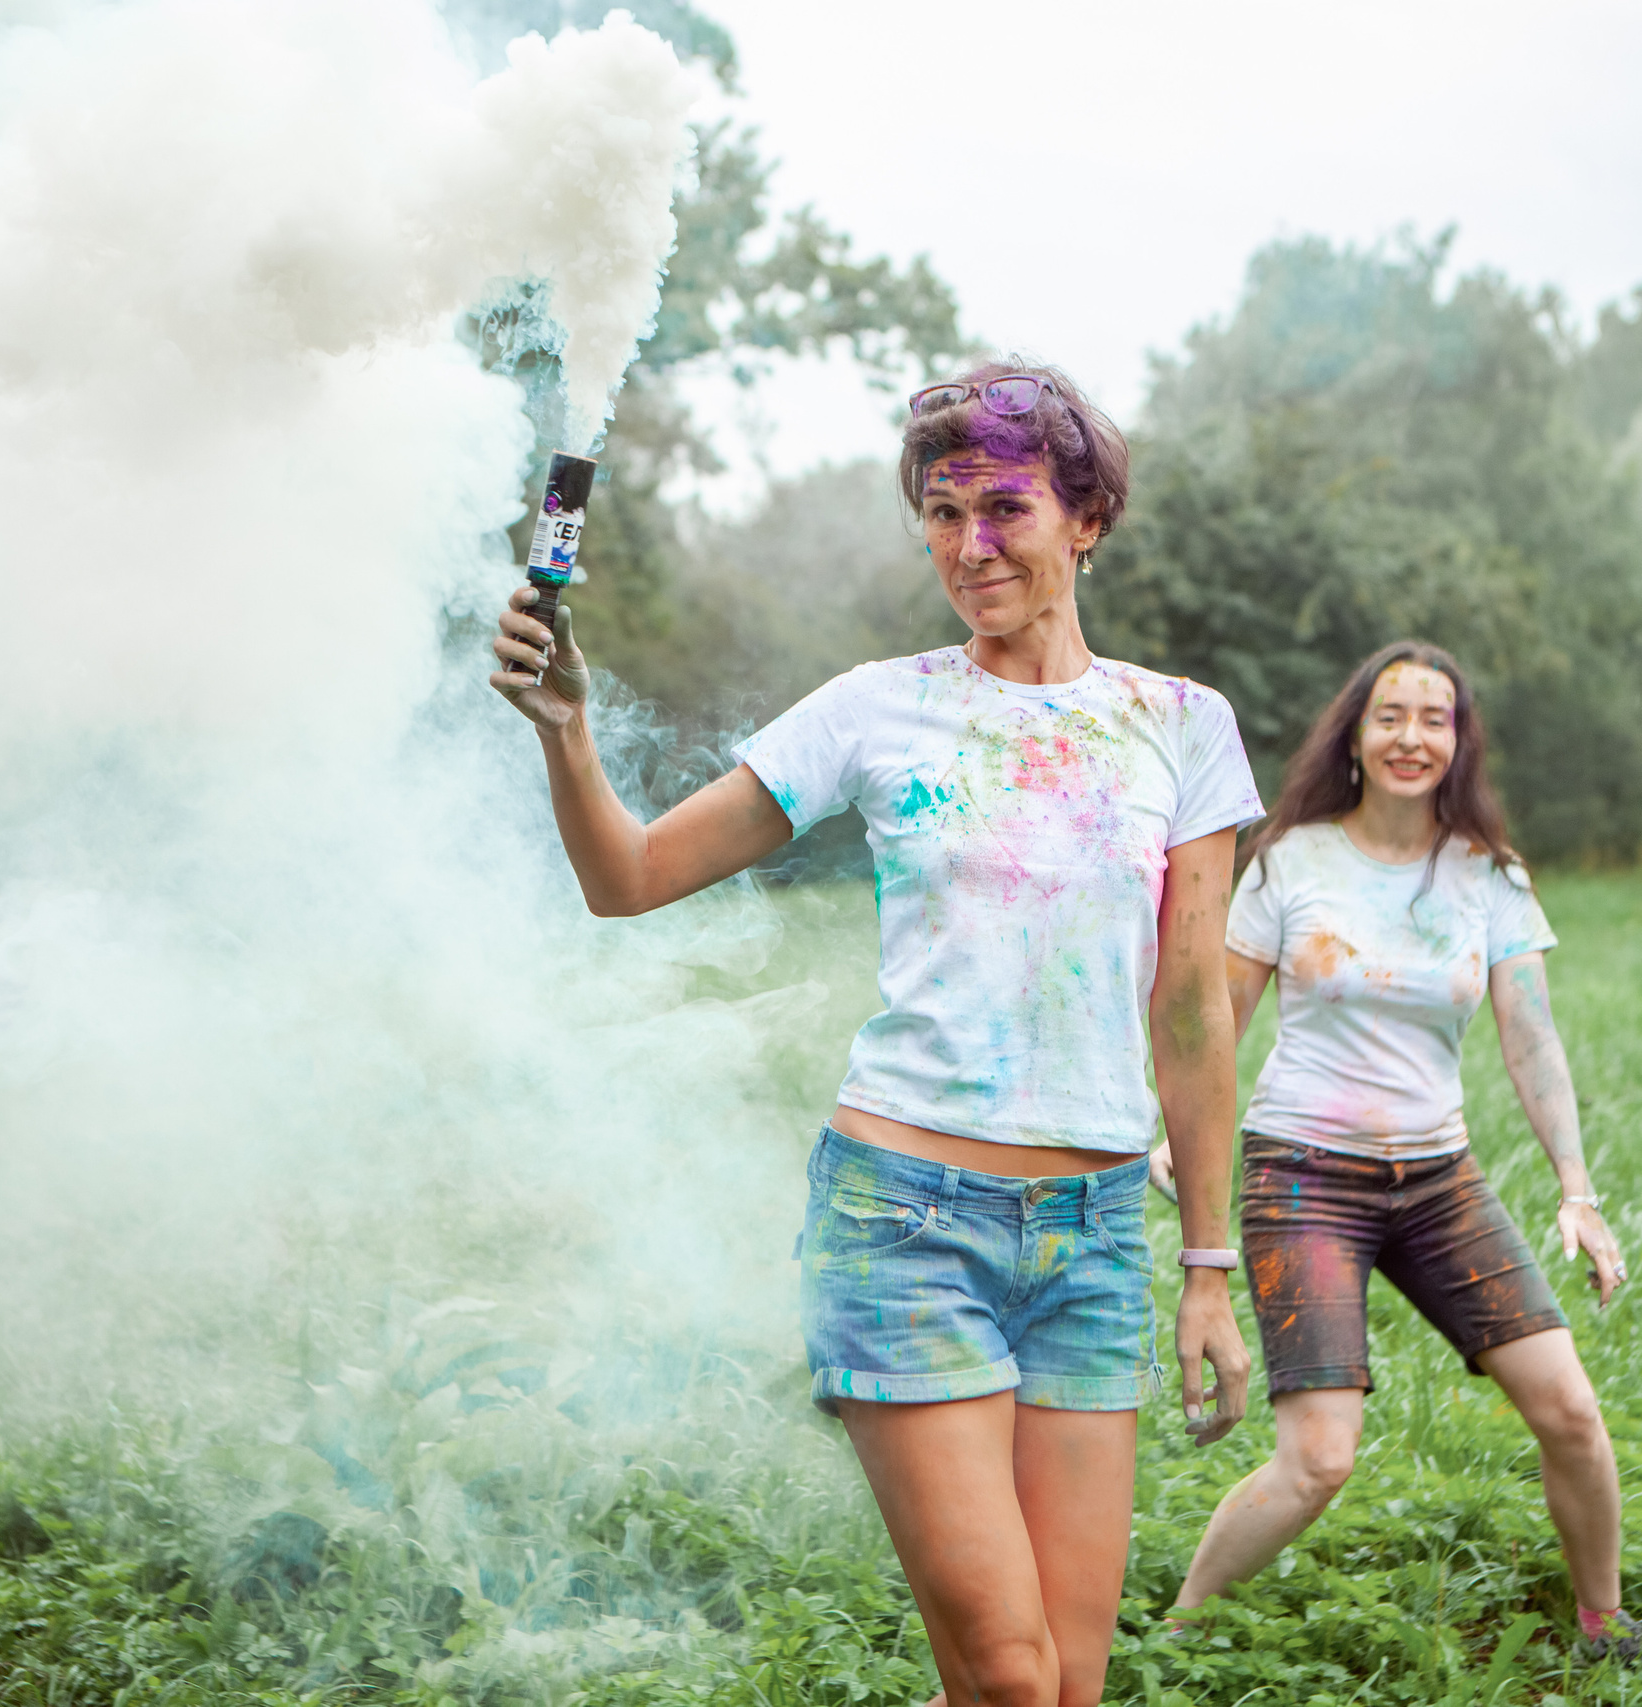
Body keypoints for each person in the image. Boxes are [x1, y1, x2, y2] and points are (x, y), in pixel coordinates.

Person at [491, 361, 1264, 1707]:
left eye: (1007, 508)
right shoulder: (870, 707)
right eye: (944, 511)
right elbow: (627, 876)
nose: (972, 546)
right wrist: (567, 730)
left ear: (1085, 519)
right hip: (905, 1221)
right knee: (1015, 1675)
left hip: (1089, 1241)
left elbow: (1193, 1007)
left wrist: (1208, 1261)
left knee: (1060, 1684)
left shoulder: (1182, 726)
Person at [1147, 641, 1642, 1666]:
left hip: (1438, 1181)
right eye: (1391, 716)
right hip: (1302, 1177)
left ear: (1458, 740)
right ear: (1356, 733)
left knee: (1569, 1410)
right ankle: (1174, 1634)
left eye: (1434, 717)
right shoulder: (1290, 859)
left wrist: (1577, 1189)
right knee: (1318, 1461)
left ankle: (1602, 1624)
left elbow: (1531, 1035)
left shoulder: (1487, 875)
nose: (1411, 736)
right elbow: (1218, 1016)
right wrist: (1174, 1135)